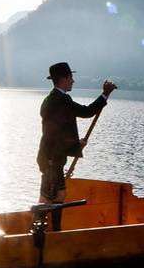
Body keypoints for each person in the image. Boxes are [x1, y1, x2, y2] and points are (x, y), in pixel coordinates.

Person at [38, 61, 116, 210]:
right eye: (71, 78)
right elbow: (86, 112)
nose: (73, 81)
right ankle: (52, 231)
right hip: (52, 160)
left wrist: (75, 145)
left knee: (52, 197)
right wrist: (105, 94)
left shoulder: (50, 99)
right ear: (64, 79)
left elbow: (57, 132)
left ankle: (50, 229)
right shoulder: (61, 99)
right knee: (54, 198)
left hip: (50, 158)